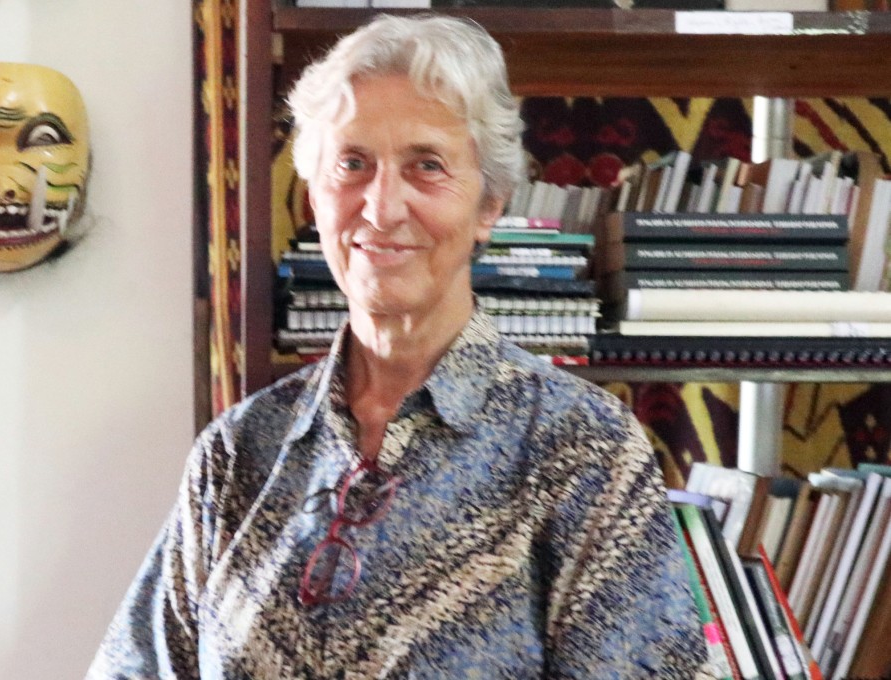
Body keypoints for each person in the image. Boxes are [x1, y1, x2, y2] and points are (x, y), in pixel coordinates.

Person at [88, 13, 707, 679]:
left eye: (427, 166)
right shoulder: (238, 455)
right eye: (352, 164)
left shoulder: (583, 452)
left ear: (489, 203)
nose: (381, 208)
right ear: (313, 195)